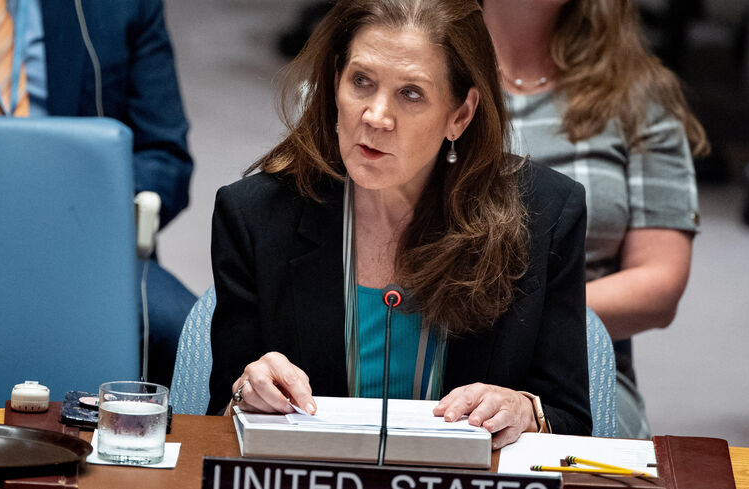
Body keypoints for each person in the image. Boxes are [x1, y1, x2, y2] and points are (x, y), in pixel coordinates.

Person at [208, 0, 591, 448]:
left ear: (460, 115)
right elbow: (220, 414)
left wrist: (525, 410)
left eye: (411, 93)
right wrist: (246, 391)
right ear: (334, 83)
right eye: (361, 82)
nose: (375, 116)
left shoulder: (544, 215)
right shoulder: (256, 216)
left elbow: (570, 419)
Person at [480, 0, 709, 438]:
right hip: (429, 339)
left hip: (577, 359)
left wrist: (525, 326)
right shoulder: (410, 77)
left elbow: (660, 283)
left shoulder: (637, 96)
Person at [0, 0, 196, 388]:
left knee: (183, 326)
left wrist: (88, 203)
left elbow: (165, 156)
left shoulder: (117, 8)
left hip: (79, 242)